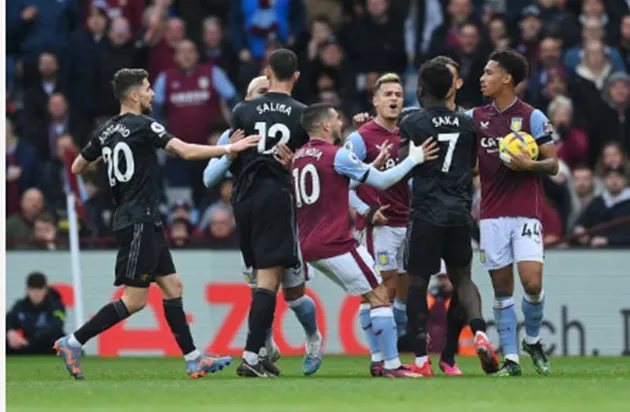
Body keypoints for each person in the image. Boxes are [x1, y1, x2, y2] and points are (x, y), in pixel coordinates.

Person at [53, 68, 259, 380]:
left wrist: (107, 156)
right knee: (134, 300)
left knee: (173, 286)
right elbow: (186, 151)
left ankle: (193, 359)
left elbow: (78, 165)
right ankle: (73, 341)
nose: (152, 93)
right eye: (148, 88)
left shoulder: (106, 130)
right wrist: (230, 149)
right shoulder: (144, 125)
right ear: (134, 95)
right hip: (137, 219)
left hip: (141, 218)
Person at [293, 103, 438, 378]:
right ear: (325, 125)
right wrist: (414, 159)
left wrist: (369, 166)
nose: (340, 122)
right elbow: (382, 182)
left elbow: (336, 184)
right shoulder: (336, 154)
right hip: (335, 242)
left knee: (368, 295)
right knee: (380, 294)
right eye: (336, 118)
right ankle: (392, 366)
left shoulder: (300, 156)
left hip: (308, 245)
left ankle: (379, 360)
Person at [203, 75, 322, 376]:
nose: (267, 100)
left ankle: (312, 338)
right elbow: (209, 178)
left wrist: (295, 164)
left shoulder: (292, 130)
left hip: (283, 213)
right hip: (252, 213)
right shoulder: (235, 133)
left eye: (269, 92)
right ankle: (261, 348)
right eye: (260, 93)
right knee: (261, 289)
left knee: (293, 296)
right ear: (249, 98)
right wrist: (230, 151)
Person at [400, 59, 499, 378]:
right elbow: (472, 167)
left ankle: (420, 361)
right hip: (458, 212)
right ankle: (480, 332)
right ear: (450, 88)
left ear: (422, 89)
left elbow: (405, 165)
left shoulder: (413, 122)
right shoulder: (468, 124)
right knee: (463, 280)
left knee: (417, 284)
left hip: (426, 212)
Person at [467, 49, 559, 376]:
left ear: (507, 78)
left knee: (532, 284)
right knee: (502, 289)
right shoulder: (476, 117)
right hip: (491, 214)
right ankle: (512, 360)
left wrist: (528, 164)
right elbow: (467, 158)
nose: (482, 77)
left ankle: (532, 340)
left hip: (525, 211)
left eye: (489, 72)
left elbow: (553, 164)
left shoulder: (533, 117)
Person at [227, 49, 315, 378]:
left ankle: (261, 352)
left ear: (267, 72)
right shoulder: (302, 114)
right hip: (275, 196)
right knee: (269, 279)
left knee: (259, 279)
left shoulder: (242, 110)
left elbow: (233, 156)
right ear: (296, 76)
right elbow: (309, 164)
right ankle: (251, 355)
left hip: (243, 199)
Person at [345, 73, 409, 340]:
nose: (393, 98)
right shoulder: (361, 138)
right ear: (375, 101)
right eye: (387, 94)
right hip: (378, 224)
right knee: (381, 288)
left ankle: (390, 346)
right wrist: (367, 211)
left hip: (407, 221)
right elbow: (341, 184)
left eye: (398, 94)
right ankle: (379, 355)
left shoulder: (408, 134)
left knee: (403, 292)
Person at [6, 272, 65, 355]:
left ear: (46, 289)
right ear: (27, 289)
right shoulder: (20, 306)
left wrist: (31, 340)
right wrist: (10, 332)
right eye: (33, 289)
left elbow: (56, 325)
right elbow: (8, 320)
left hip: (50, 345)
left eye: (39, 289)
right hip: (26, 345)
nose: (36, 293)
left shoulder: (56, 306)